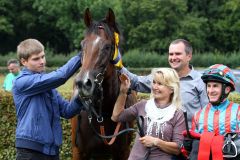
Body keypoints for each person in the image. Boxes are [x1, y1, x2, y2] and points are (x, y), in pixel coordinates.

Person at [12, 38, 83, 160]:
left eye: (42, 56)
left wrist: (82, 95)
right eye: (36, 59)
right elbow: (61, 76)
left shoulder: (48, 87)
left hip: (52, 151)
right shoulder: (21, 82)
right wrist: (83, 54)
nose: (42, 61)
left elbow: (67, 111)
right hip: (30, 151)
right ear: (23, 61)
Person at [116, 39, 208, 127]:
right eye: (171, 54)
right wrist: (118, 64)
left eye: (178, 54)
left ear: (189, 56)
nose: (173, 57)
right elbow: (136, 82)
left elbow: (208, 114)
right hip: (162, 137)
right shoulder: (160, 78)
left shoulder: (200, 81)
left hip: (189, 139)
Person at [111, 68, 186, 160]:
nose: (155, 87)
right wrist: (123, 93)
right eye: (154, 82)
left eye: (160, 84)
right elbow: (116, 116)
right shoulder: (143, 105)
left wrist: (156, 142)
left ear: (171, 89)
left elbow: (177, 148)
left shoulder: (178, 114)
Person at [186, 64, 240, 159]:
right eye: (209, 86)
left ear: (227, 89)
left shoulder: (238, 111)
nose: (210, 91)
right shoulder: (198, 115)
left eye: (215, 86)